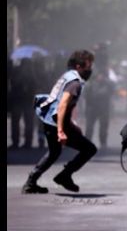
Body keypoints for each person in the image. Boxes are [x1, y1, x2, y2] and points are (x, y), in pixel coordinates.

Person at [22, 49, 97, 194]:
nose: (90, 70)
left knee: (54, 152)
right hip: (56, 121)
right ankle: (64, 175)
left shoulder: (68, 76)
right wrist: (61, 130)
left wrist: (71, 125)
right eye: (88, 66)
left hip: (51, 119)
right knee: (89, 149)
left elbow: (64, 105)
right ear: (78, 66)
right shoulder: (74, 83)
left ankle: (31, 182)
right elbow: (62, 105)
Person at [85, 68, 116, 148]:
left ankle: (103, 143)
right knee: (89, 127)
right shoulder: (90, 84)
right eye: (99, 75)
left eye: (102, 75)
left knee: (103, 127)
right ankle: (87, 142)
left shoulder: (108, 84)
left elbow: (112, 92)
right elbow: (86, 96)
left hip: (103, 109)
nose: (100, 77)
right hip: (92, 108)